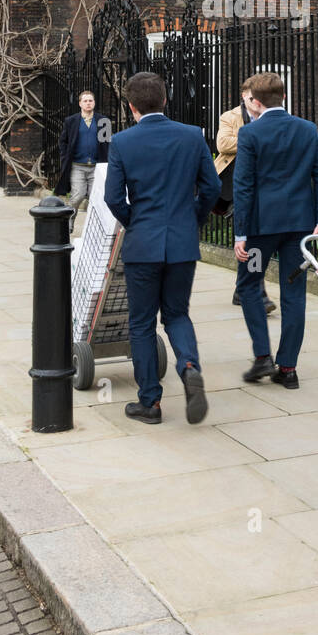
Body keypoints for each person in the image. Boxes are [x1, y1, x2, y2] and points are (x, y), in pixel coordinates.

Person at [104, 72, 220, 425]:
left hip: (143, 244)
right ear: (165, 100)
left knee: (141, 324)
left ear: (131, 106)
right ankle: (188, 367)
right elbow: (212, 187)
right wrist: (193, 220)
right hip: (182, 243)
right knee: (177, 314)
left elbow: (112, 198)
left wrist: (135, 221)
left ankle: (150, 403)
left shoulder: (122, 142)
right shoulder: (191, 136)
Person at [233, 72, 318, 389]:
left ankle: (263, 356)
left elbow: (243, 187)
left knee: (250, 285)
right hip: (300, 228)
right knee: (294, 295)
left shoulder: (250, 134)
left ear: (257, 102)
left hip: (260, 231)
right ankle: (288, 368)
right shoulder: (307, 130)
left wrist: (240, 234)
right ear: (285, 98)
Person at [215, 78, 276, 315]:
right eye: (252, 98)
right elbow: (222, 144)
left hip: (264, 185)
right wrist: (254, 139)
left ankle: (243, 290)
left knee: (252, 238)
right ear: (243, 96)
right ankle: (256, 292)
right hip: (237, 187)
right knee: (252, 238)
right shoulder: (230, 116)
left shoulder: (269, 115)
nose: (256, 102)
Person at [54, 90, 112, 233]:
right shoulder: (71, 121)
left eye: (90, 100)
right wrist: (65, 156)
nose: (88, 103)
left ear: (94, 103)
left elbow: (107, 143)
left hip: (96, 167)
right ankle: (70, 219)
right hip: (77, 166)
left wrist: (107, 163)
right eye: (85, 101)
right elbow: (63, 141)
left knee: (96, 198)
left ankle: (95, 228)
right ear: (80, 103)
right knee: (77, 195)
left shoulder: (103, 121)